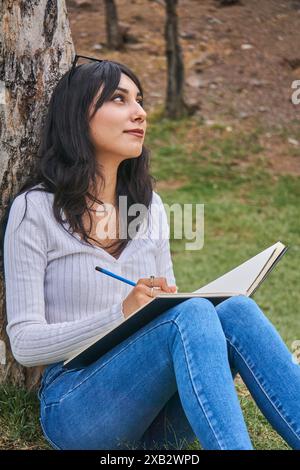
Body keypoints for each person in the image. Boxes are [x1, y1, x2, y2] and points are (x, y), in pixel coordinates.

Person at [1, 57, 300, 451]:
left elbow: (173, 312)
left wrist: (165, 303)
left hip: (155, 419)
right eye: (119, 99)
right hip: (76, 405)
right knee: (190, 314)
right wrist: (122, 314)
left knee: (235, 310)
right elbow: (24, 344)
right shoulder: (35, 209)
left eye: (139, 100)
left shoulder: (150, 207)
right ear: (77, 115)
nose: (140, 112)